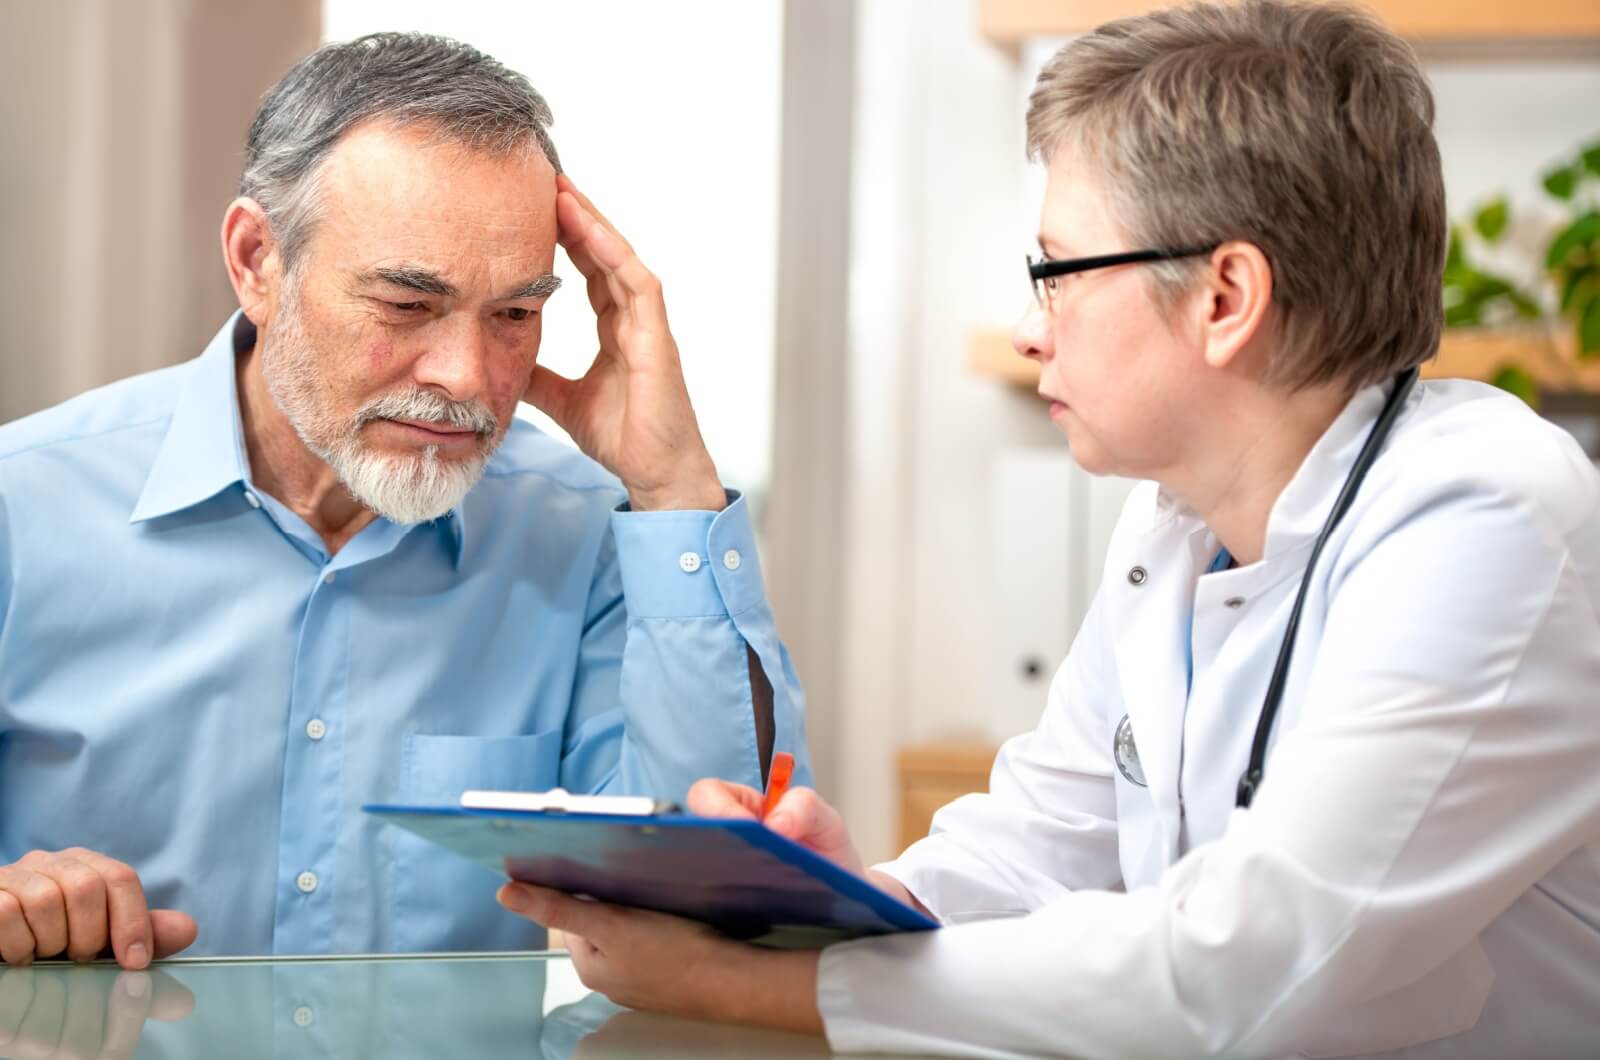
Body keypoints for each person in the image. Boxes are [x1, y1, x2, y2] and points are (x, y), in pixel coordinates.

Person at [497, 2, 1600, 1056]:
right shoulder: (1171, 522)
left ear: (1225, 298)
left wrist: (761, 985)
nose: (1031, 331)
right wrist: (862, 900)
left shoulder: (1488, 514)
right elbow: (1040, 843)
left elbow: (1242, 965)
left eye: (1056, 271)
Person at [0, 33, 808, 967]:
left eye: (514, 315)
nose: (466, 376)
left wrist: (673, 488)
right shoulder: (22, 507)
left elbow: (726, 911)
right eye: (406, 305)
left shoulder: (592, 536)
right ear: (259, 259)